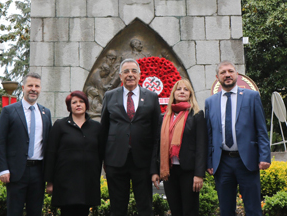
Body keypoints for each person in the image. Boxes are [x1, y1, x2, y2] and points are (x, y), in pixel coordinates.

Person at [205, 61, 271, 216]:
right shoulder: (210, 102)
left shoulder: (252, 97)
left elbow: (261, 129)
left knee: (253, 209)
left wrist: (265, 156)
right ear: (217, 77)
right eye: (223, 72)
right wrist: (209, 161)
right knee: (226, 210)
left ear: (236, 75)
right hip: (222, 162)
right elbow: (208, 134)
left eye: (230, 71)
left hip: (247, 161)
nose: (227, 75)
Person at [100, 58, 161, 216]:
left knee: (145, 207)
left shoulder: (152, 97)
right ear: (120, 76)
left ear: (140, 75)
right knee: (118, 208)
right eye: (126, 71)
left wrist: (155, 165)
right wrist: (104, 161)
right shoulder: (109, 96)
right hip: (116, 161)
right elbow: (104, 130)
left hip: (143, 161)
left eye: (134, 71)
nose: (130, 74)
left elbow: (157, 133)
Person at [0, 73, 52, 216]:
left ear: (40, 89)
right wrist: (3, 169)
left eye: (37, 86)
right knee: (14, 212)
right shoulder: (9, 111)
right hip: (15, 172)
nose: (33, 89)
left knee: (35, 212)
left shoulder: (46, 113)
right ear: (23, 87)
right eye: (30, 85)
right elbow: (0, 142)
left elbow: (49, 145)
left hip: (39, 172)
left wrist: (50, 176)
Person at [45, 91, 102, 216]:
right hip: (66, 182)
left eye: (81, 101)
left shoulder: (96, 127)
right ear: (69, 106)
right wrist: (50, 181)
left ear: (86, 105)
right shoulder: (60, 125)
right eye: (74, 102)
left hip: (87, 182)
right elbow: (51, 153)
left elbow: (101, 153)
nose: (78, 105)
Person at [156, 78, 207, 216]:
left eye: (186, 89)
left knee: (190, 211)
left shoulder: (197, 115)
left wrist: (199, 174)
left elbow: (202, 146)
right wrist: (155, 171)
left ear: (190, 94)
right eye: (179, 89)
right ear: (174, 93)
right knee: (175, 210)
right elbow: (158, 146)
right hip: (170, 172)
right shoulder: (164, 117)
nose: (182, 92)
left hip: (189, 171)